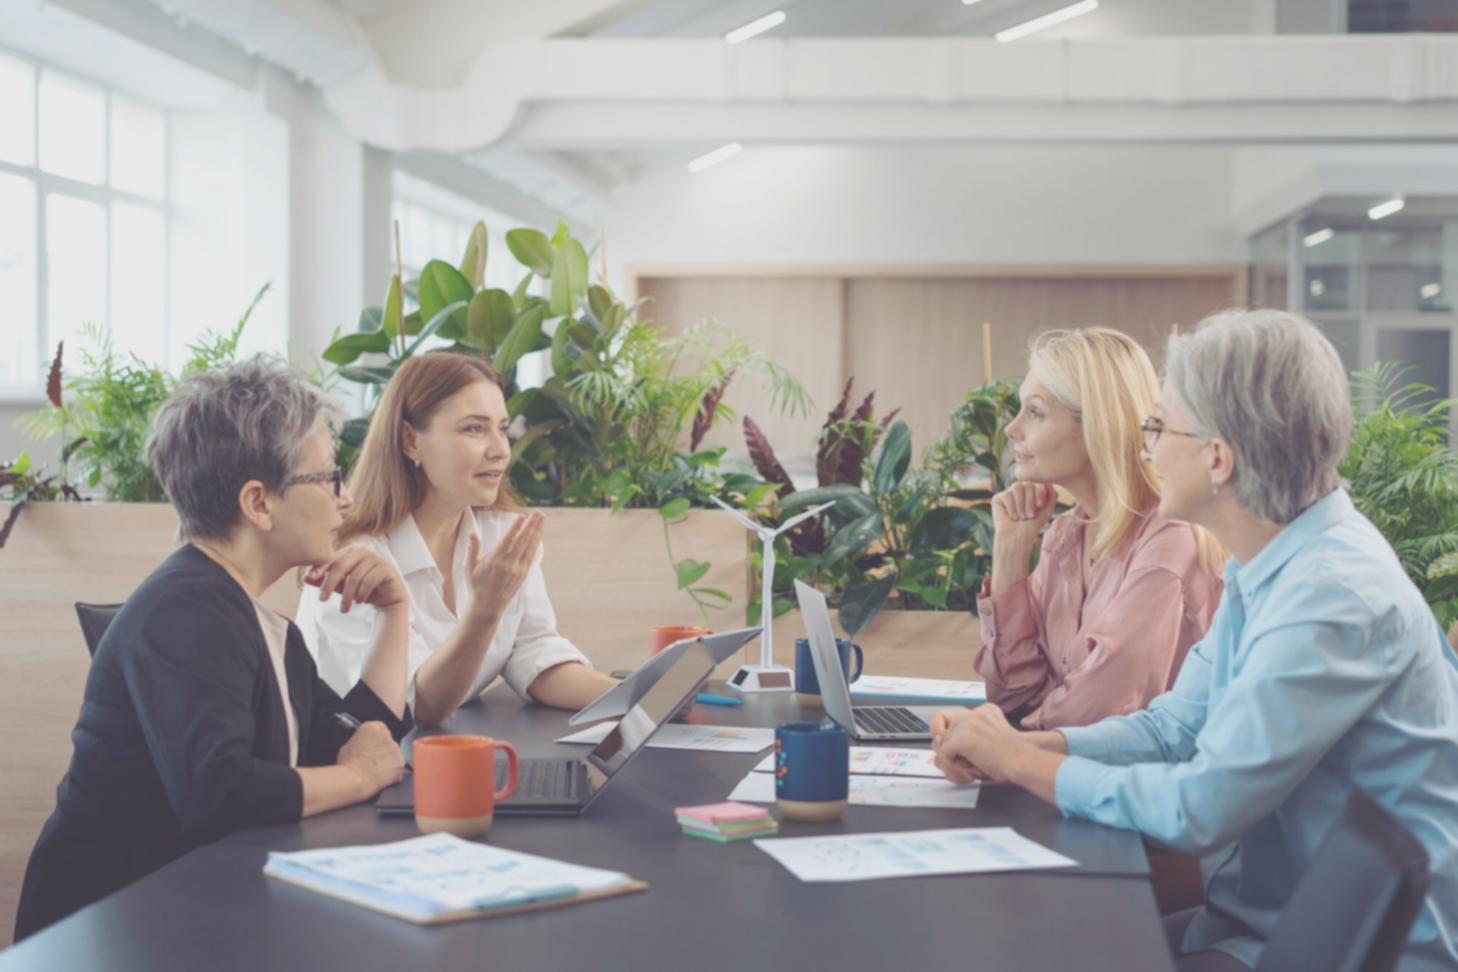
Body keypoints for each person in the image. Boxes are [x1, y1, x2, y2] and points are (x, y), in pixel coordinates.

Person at [934, 309, 1458, 971]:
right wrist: (1016, 745)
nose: (1142, 446)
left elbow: (1199, 808)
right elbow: (1171, 729)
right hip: (1255, 921)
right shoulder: (1266, 561)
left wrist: (1018, 763)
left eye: (1156, 427)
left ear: (1217, 458)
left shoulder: (1331, 596)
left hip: (1330, 952)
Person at [16, 356, 411, 941]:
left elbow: (365, 737)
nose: (345, 499)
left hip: (193, 913)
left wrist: (395, 614)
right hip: (107, 934)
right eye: (329, 477)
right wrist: (355, 777)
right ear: (258, 503)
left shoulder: (259, 623)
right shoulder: (184, 610)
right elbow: (221, 791)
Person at [297, 352, 618, 726]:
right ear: (411, 442)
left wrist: (635, 696)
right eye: (473, 429)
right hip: (355, 765)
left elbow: (533, 651)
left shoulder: (501, 535)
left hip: (438, 756)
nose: (500, 450)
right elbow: (417, 705)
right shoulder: (355, 564)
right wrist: (486, 608)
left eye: (502, 428)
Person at [976, 327, 1224, 728]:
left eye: (1035, 412)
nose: (1012, 429)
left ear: (1097, 426)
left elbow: (1100, 713)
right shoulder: (1065, 534)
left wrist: (999, 742)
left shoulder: (1168, 541)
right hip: (1060, 773)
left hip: (1137, 784)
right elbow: (1012, 696)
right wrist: (1011, 548)